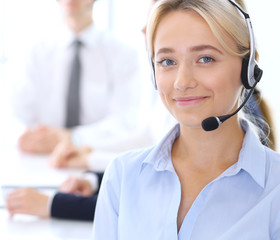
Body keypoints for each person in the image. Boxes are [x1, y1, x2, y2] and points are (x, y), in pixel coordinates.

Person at [92, 0, 280, 239]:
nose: (182, 82)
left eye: (205, 59)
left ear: (248, 67)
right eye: (167, 62)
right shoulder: (122, 178)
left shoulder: (275, 189)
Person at [12, 0, 142, 155]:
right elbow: (16, 115)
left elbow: (124, 120)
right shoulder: (35, 53)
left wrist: (72, 138)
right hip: (39, 158)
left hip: (97, 157)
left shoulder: (123, 54)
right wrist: (34, 137)